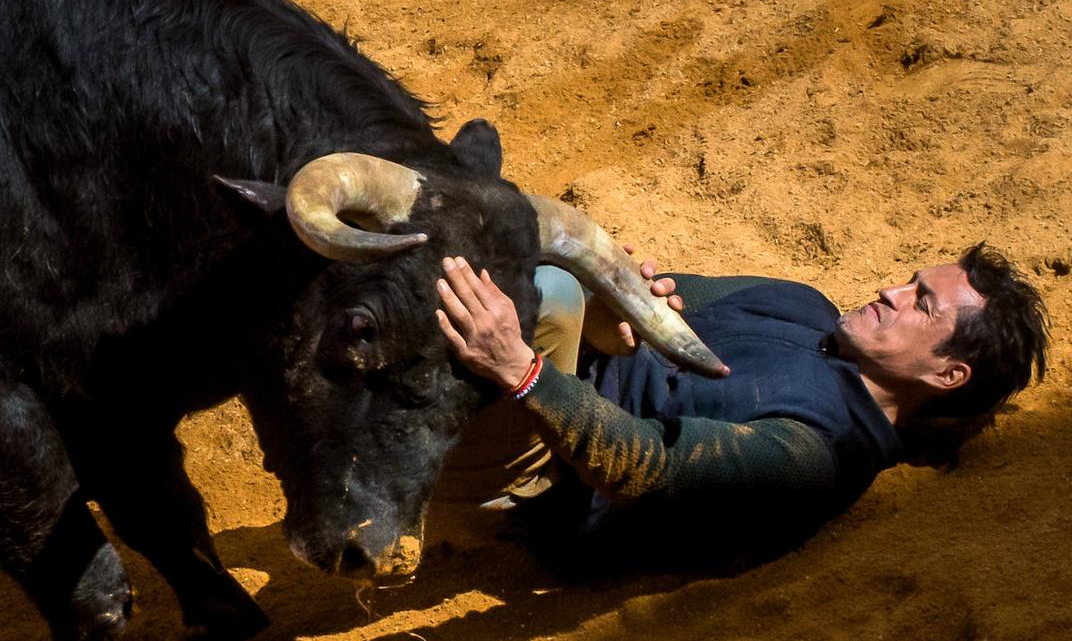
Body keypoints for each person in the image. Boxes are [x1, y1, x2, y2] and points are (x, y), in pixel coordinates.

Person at [432, 244, 1049, 563]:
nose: (891, 292)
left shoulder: (815, 454)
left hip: (539, 472)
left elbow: (637, 466)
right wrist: (624, 308)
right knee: (522, 254)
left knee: (547, 291)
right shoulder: (802, 304)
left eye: (922, 303)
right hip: (551, 370)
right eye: (909, 282)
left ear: (948, 374)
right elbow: (645, 292)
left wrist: (520, 367)